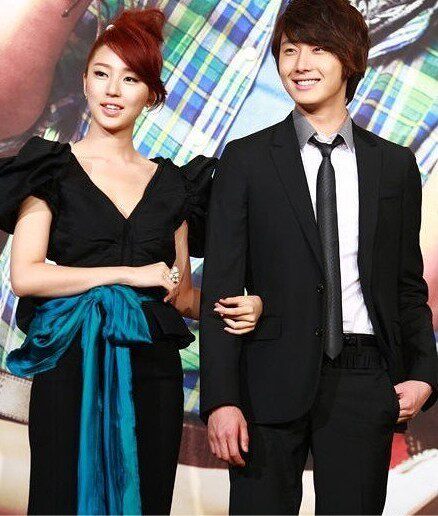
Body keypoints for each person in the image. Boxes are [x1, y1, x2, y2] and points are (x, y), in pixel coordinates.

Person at [0, 8, 264, 515]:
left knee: (145, 499)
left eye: (130, 79)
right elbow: (26, 275)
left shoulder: (175, 185)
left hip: (153, 371)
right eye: (101, 74)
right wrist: (126, 273)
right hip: (70, 362)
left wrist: (245, 308)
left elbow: (181, 296)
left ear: (152, 94)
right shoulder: (49, 166)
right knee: (60, 497)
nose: (112, 90)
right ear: (84, 80)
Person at [200, 0, 438, 514]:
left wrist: (424, 373)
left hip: (363, 377)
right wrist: (221, 399)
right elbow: (221, 287)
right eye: (289, 50)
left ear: (350, 59)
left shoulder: (395, 165)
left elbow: (406, 285)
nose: (300, 64)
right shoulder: (246, 159)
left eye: (318, 49)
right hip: (267, 379)